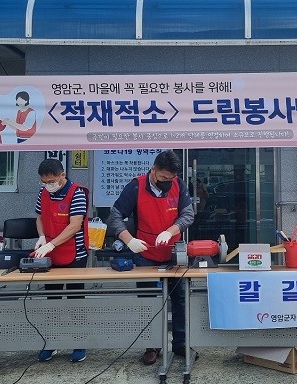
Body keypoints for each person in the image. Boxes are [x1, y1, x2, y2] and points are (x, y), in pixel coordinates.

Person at [106, 150, 196, 365]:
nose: (167, 182)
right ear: (153, 170)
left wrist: (171, 231)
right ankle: (152, 345)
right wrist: (129, 240)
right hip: (145, 252)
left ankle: (181, 343)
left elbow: (188, 215)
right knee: (149, 300)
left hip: (173, 252)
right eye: (164, 177)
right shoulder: (135, 187)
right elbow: (115, 216)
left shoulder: (179, 185)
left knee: (180, 298)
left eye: (171, 178)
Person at [33, 158, 89, 363]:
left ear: (62, 175)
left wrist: (51, 244)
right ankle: (51, 342)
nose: (48, 185)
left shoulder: (77, 193)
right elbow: (39, 217)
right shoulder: (43, 192)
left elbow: (74, 226)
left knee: (75, 300)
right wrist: (42, 237)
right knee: (52, 299)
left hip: (74, 255)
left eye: (51, 181)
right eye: (44, 182)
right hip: (51, 255)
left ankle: (79, 343)